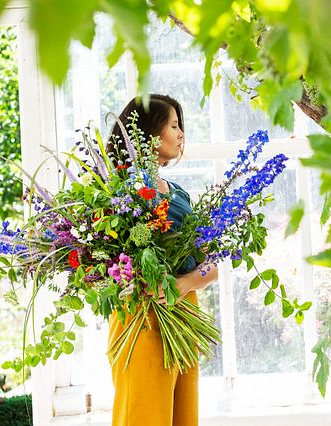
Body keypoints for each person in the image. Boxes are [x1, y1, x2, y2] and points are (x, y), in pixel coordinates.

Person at [105, 94, 218, 426]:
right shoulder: (116, 191)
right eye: (173, 124)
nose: (181, 133)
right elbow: (106, 263)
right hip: (140, 318)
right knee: (143, 415)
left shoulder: (179, 195)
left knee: (184, 416)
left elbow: (211, 264)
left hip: (184, 314)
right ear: (150, 131)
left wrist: (181, 285)